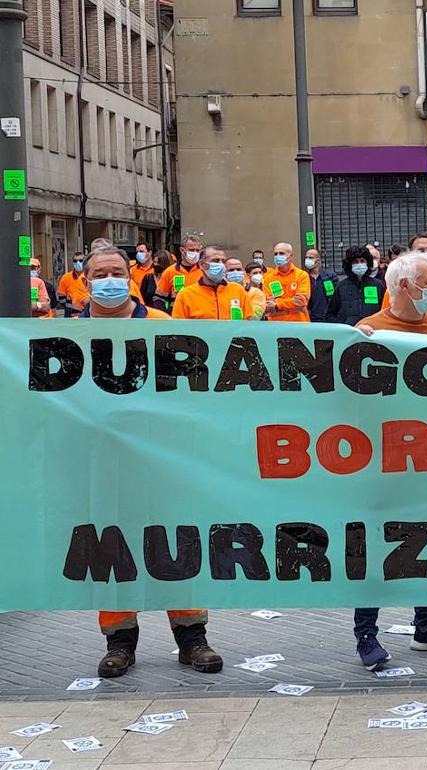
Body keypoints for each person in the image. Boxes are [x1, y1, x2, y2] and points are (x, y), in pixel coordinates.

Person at [78, 246, 223, 678]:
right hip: (101, 462)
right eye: (100, 273)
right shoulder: (65, 334)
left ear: (131, 277)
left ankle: (192, 637)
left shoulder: (163, 327)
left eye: (117, 272)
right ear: (84, 282)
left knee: (177, 537)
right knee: (111, 544)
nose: (109, 279)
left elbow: (193, 390)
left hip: (164, 459)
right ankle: (119, 641)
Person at [351, 252, 427, 669]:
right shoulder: (369, 331)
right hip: (380, 459)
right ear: (403, 285)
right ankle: (366, 632)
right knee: (374, 540)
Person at [172, 246, 252, 320]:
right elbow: (178, 329)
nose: (221, 264)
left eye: (223, 261)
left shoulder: (238, 290)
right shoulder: (186, 295)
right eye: (216, 260)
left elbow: (249, 322)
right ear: (202, 265)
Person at [328, 245, 387, 326]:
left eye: (362, 261)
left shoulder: (378, 285)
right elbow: (330, 314)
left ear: (368, 263)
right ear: (350, 264)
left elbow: (385, 311)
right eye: (356, 262)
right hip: (348, 334)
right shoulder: (341, 286)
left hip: (372, 333)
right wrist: (343, 326)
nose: (359, 264)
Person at [262, 243, 312, 322]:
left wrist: (277, 305)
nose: (278, 256)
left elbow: (301, 301)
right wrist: (292, 302)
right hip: (276, 325)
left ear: (291, 256)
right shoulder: (268, 278)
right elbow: (268, 304)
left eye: (281, 253)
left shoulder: (302, 275)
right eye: (275, 254)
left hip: (299, 324)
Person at [155, 234, 204, 311]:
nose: (195, 253)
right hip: (177, 316)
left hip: (200, 315)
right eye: (191, 250)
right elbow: (159, 299)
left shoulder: (204, 271)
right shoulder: (170, 272)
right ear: (182, 250)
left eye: (197, 250)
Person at [305, 248, 332, 322]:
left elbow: (333, 298)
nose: (307, 260)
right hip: (310, 319)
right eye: (306, 257)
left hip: (326, 319)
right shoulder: (304, 277)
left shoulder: (329, 277)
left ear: (318, 260)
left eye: (310, 258)